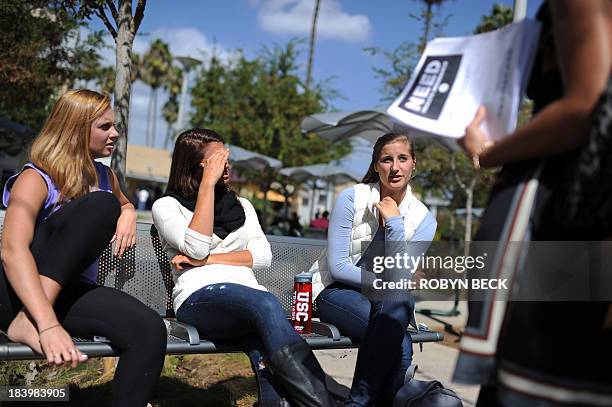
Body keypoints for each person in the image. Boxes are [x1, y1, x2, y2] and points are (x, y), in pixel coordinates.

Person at [455, 1, 612, 405]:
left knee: (535, 386)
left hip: (560, 222)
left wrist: (488, 152)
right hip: (580, 230)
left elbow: (583, 108)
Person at [0, 89, 166, 407]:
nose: (115, 133)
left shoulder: (105, 177)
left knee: (149, 329)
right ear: (76, 128)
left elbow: (123, 202)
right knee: (103, 206)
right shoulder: (37, 178)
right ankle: (28, 320)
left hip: (68, 292)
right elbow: (12, 250)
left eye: (114, 125)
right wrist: (46, 323)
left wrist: (129, 211)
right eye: (105, 126)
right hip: (16, 292)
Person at [151, 128, 336, 407]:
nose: (226, 164)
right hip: (199, 298)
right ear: (194, 165)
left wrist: (206, 261)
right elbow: (197, 245)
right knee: (264, 304)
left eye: (227, 156)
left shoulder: (242, 206)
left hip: (250, 302)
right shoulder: (167, 206)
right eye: (217, 159)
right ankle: (322, 403)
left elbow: (262, 257)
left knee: (260, 339)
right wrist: (207, 188)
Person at [310, 133, 437, 406]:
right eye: (386, 159)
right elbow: (339, 267)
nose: (395, 167)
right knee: (399, 343)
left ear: (414, 163)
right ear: (376, 165)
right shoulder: (351, 199)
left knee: (396, 333)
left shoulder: (424, 219)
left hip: (385, 300)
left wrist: (394, 224)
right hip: (334, 291)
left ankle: (357, 403)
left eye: (402, 158)